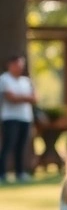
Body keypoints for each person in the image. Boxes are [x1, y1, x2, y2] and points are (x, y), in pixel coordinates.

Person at [0, 55, 36, 183]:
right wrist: (26, 98)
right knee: (8, 145)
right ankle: (2, 173)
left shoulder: (26, 81)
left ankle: (20, 172)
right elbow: (11, 98)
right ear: (10, 65)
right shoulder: (4, 79)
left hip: (25, 118)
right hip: (10, 118)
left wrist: (21, 98)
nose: (20, 67)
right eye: (17, 64)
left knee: (21, 146)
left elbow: (35, 98)